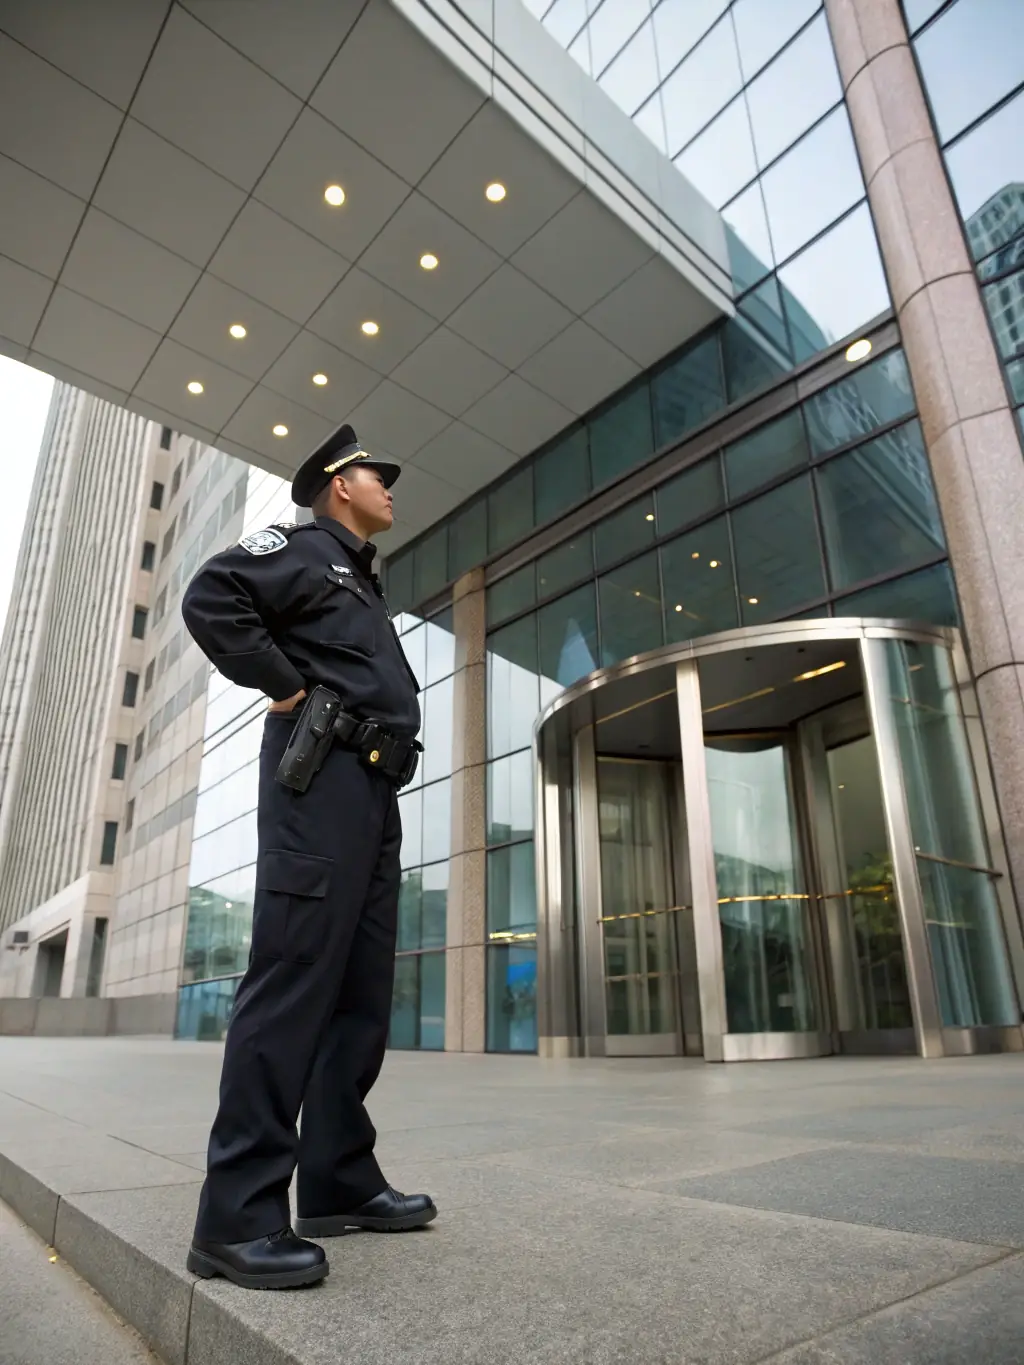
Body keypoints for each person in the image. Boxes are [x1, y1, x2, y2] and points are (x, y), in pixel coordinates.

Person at [180, 423, 435, 1290]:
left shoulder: (359, 579)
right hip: (320, 779)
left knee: (358, 993)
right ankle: (236, 1219)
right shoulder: (299, 549)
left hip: (373, 789)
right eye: (376, 472)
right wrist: (285, 685)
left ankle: (336, 1180)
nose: (389, 485)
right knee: (292, 980)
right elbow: (213, 596)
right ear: (336, 486)